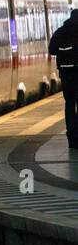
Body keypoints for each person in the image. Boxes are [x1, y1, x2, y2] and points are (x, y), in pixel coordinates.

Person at [48, 8, 78, 149]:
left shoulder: (61, 32)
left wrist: (65, 51)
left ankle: (72, 137)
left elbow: (52, 50)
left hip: (66, 74)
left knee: (69, 105)